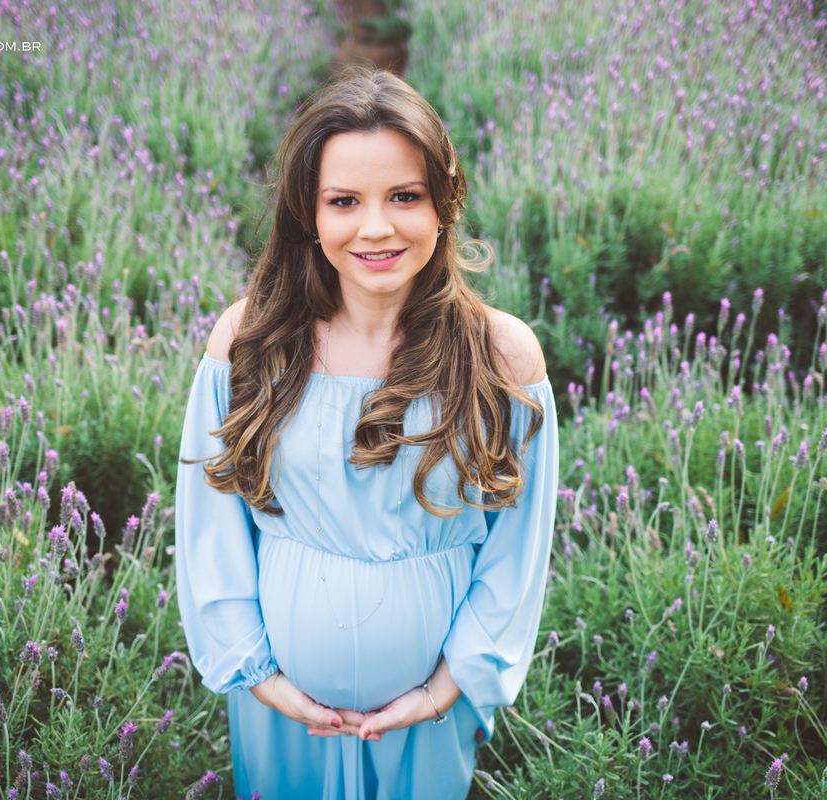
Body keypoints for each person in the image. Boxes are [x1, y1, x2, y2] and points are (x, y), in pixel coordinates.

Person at [175, 69, 559, 800]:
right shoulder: (253, 339)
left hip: (427, 722)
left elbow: (518, 553)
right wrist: (258, 676)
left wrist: (449, 687)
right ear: (308, 215)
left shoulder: (501, 355)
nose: (376, 227)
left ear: (443, 206)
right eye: (344, 201)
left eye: (405, 197)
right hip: (278, 717)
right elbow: (210, 529)